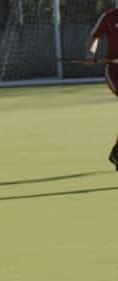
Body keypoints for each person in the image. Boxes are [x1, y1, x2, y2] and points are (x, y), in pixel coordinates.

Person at [85, 7, 118, 168]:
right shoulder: (109, 16)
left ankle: (117, 153)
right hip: (113, 69)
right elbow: (94, 36)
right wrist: (91, 53)